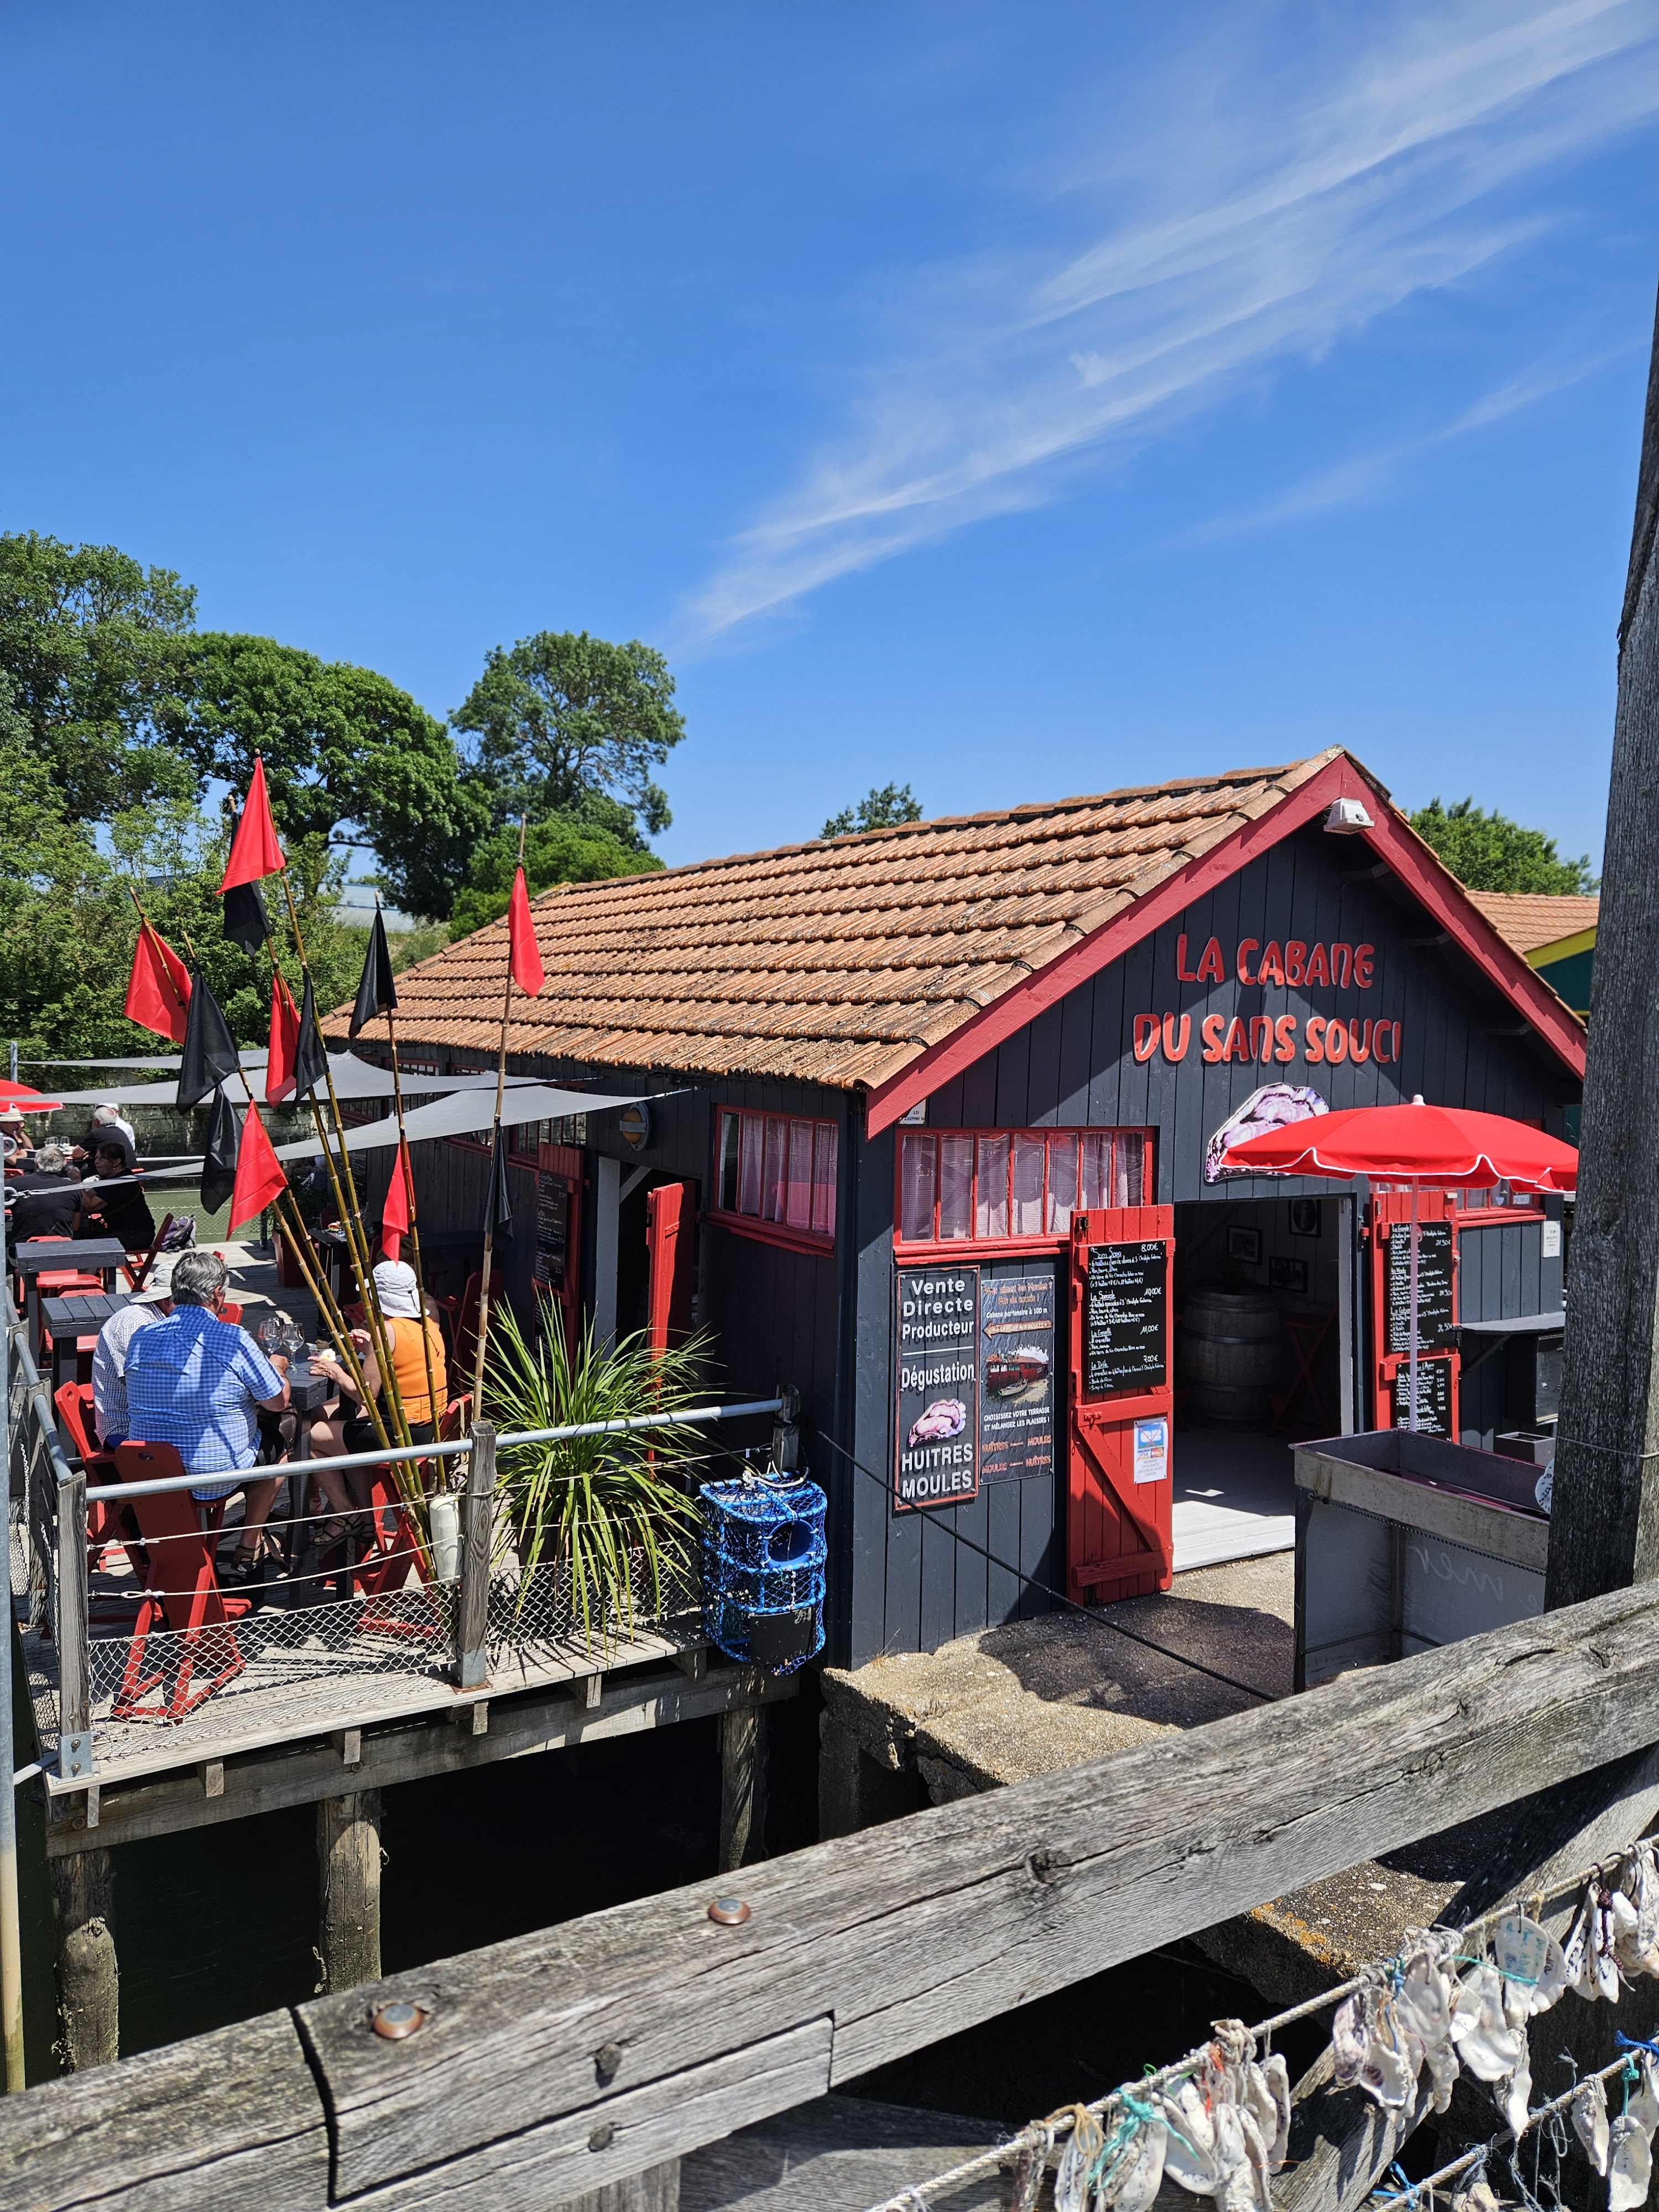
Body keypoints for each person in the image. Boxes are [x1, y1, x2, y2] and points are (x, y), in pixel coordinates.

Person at [123, 1247, 290, 1580]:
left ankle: (238, 1544)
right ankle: (250, 1543)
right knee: (280, 1443)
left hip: (151, 1470)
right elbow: (277, 1402)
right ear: (217, 1294)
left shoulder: (142, 1336)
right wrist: (278, 1368)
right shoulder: (232, 1338)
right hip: (209, 1475)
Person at [309, 1260, 448, 1535]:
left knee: (310, 1438)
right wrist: (370, 1349)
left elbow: (366, 1396)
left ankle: (347, 1514)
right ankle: (364, 1516)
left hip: (400, 1434)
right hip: (430, 1427)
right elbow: (406, 1363)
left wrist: (335, 1372)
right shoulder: (429, 1322)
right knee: (341, 1423)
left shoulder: (386, 1332)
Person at [91, 1257, 175, 1448]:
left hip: (147, 1420)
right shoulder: (135, 1325)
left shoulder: (159, 1320)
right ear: (167, 1300)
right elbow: (146, 1389)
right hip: (124, 1430)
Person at [75, 1141, 156, 1254]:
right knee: (84, 1236)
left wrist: (77, 1183)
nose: (97, 1162)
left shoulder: (121, 1182)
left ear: (116, 1162)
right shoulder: (110, 1178)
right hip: (122, 1231)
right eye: (96, 1158)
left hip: (135, 1235)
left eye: (102, 1159)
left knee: (84, 1245)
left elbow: (90, 1205)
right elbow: (90, 1195)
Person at [8, 1144, 81, 1242]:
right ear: (64, 1164)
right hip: (63, 1247)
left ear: (37, 1162)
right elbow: (75, 1226)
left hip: (23, 1246)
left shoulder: (16, 1183)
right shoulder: (73, 1188)